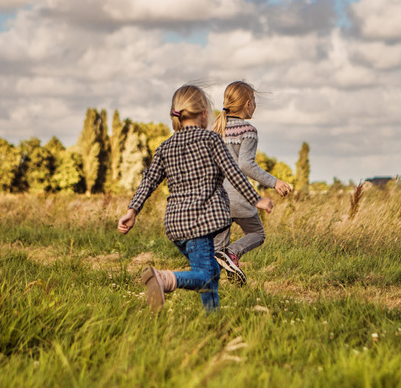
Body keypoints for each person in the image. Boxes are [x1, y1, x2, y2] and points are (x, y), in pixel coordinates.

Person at [117, 84, 273, 314]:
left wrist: (132, 211)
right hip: (201, 224)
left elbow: (148, 181)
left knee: (211, 271)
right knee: (204, 274)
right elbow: (233, 172)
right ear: (203, 114)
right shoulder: (211, 140)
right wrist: (256, 199)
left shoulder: (165, 146)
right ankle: (164, 279)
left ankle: (212, 318)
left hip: (175, 226)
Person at [211, 81, 292, 285]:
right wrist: (274, 182)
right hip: (239, 196)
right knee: (257, 233)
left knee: (216, 252)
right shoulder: (248, 130)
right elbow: (246, 165)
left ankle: (210, 286)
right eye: (254, 101)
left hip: (216, 198)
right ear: (248, 104)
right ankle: (233, 253)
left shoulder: (215, 127)